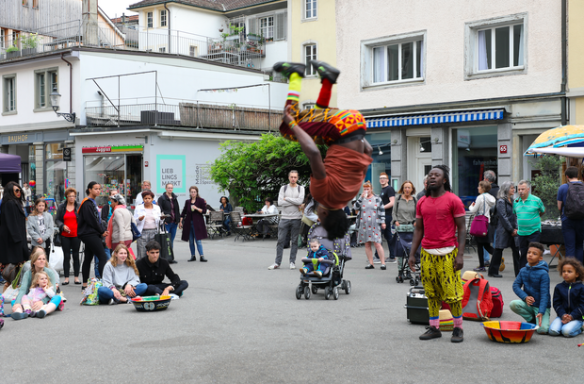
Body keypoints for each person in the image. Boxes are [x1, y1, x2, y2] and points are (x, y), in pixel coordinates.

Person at [273, 60, 372, 242]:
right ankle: (295, 75)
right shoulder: (322, 194)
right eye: (320, 218)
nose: (317, 216)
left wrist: (356, 133)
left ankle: (327, 79)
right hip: (342, 127)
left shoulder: (351, 193)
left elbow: (368, 149)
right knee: (287, 129)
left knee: (317, 124)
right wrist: (291, 123)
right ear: (325, 215)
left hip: (357, 124)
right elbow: (313, 153)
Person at [409, 165, 466, 343]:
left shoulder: (453, 200)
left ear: (444, 180)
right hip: (427, 253)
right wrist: (412, 254)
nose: (432, 177)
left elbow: (462, 228)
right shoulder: (421, 202)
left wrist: (460, 255)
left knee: (453, 293)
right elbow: (418, 229)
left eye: (437, 175)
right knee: (431, 293)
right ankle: (434, 327)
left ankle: (458, 328)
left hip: (449, 253)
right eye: (430, 175)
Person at [509, 242, 550, 334]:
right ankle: (531, 319)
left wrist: (541, 311)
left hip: (541, 307)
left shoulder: (543, 274)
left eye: (534, 254)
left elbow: (545, 295)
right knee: (513, 304)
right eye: (529, 252)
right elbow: (516, 285)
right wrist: (525, 297)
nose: (530, 255)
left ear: (540, 258)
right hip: (529, 305)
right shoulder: (523, 270)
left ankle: (539, 317)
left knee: (542, 330)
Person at [11, 247, 61, 320]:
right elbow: (23, 290)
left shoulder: (50, 272)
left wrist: (42, 302)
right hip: (31, 299)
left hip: (45, 298)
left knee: (57, 298)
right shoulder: (28, 273)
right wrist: (17, 303)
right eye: (39, 259)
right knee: (15, 301)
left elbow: (53, 292)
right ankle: (20, 313)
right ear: (34, 262)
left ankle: (44, 312)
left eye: (43, 259)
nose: (42, 261)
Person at [268, 170, 305, 270]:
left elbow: (300, 201)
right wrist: (295, 202)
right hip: (284, 218)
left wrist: (287, 198)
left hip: (296, 218)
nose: (293, 179)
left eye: (295, 177)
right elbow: (280, 203)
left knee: (294, 241)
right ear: (289, 177)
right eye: (291, 177)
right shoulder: (283, 188)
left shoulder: (300, 188)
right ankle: (277, 262)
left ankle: (292, 262)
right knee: (280, 240)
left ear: (297, 178)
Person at [78, 181, 109, 290]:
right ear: (89, 189)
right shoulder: (87, 203)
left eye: (99, 189)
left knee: (88, 257)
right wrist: (101, 231)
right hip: (89, 233)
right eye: (95, 188)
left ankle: (85, 284)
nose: (98, 191)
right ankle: (105, 283)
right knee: (102, 256)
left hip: (90, 233)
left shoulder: (91, 202)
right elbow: (92, 220)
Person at [488, 181, 521, 278]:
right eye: (511, 188)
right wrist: (511, 230)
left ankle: (518, 273)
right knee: (498, 250)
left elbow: (515, 215)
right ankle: (492, 271)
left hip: (512, 229)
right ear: (506, 189)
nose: (513, 190)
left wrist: (515, 228)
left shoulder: (513, 200)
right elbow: (503, 217)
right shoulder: (501, 201)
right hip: (504, 230)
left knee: (516, 250)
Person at [355, 181, 386, 270]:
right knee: (367, 244)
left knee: (377, 243)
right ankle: (371, 263)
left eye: (368, 189)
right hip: (364, 224)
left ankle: (383, 263)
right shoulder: (362, 198)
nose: (366, 190)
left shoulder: (377, 198)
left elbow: (382, 210)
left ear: (371, 189)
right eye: (364, 189)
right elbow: (355, 208)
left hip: (375, 224)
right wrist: (360, 198)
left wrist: (383, 222)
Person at [549, 258, 584, 337]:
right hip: (562, 316)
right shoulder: (559, 287)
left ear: (577, 274)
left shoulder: (581, 288)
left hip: (577, 318)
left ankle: (580, 328)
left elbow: (582, 305)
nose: (566, 273)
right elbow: (556, 303)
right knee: (553, 331)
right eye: (564, 271)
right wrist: (563, 315)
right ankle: (567, 325)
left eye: (569, 271)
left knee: (566, 332)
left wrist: (572, 316)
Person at [514, 180, 545, 269]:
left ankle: (535, 271)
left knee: (534, 253)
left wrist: (534, 218)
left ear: (528, 189)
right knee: (523, 253)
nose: (520, 191)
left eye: (522, 189)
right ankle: (523, 273)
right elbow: (515, 214)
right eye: (519, 189)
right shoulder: (516, 202)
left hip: (534, 231)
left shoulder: (536, 200)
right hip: (521, 232)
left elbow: (542, 211)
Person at [557, 166, 584, 263]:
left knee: (570, 247)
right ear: (578, 175)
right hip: (582, 219)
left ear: (567, 176)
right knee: (579, 245)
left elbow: (559, 207)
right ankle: (579, 273)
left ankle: (570, 273)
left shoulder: (563, 188)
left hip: (568, 220)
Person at [55, 187, 81, 285]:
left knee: (76, 256)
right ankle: (66, 278)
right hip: (65, 235)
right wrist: (62, 226)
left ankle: (76, 277)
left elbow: (82, 219)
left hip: (76, 234)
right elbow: (57, 219)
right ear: (66, 197)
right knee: (66, 256)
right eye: (69, 196)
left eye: (73, 196)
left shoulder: (78, 206)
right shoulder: (61, 207)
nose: (71, 198)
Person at [469, 181, 496, 272]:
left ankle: (483, 265)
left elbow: (474, 210)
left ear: (483, 188)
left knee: (480, 245)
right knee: (485, 244)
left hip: (480, 222)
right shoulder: (491, 198)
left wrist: (470, 207)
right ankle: (496, 257)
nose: (478, 188)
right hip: (487, 223)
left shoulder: (480, 197)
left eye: (479, 186)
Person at [0, 181, 29, 266]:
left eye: (19, 190)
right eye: (16, 190)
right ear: (10, 191)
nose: (19, 192)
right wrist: (18, 240)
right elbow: (11, 223)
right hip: (13, 240)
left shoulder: (15, 202)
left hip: (15, 239)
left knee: (17, 265)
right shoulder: (10, 203)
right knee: (15, 265)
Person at [392, 180, 417, 277]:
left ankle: (408, 271)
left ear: (412, 189)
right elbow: (394, 212)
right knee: (400, 250)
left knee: (410, 250)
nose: (407, 189)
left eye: (409, 188)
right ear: (402, 189)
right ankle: (400, 271)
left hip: (411, 229)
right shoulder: (398, 199)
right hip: (400, 228)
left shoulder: (415, 200)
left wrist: (415, 221)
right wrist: (395, 221)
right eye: (405, 187)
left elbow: (417, 213)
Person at [180, 186, 208, 262]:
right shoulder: (187, 202)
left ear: (196, 192)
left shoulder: (201, 201)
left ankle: (202, 256)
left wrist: (196, 208)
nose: (193, 193)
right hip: (189, 223)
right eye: (191, 192)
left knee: (198, 240)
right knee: (191, 241)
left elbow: (204, 211)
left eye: (194, 192)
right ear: (190, 192)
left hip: (198, 223)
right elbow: (183, 212)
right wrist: (180, 220)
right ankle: (193, 256)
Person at [134, 191, 162, 260]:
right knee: (142, 252)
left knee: (153, 251)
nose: (147, 200)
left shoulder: (157, 208)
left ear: (152, 199)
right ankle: (141, 268)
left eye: (149, 198)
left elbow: (159, 222)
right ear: (143, 199)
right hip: (142, 232)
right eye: (145, 198)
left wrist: (162, 219)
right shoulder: (139, 208)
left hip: (154, 232)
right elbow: (134, 221)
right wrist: (139, 219)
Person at [378, 172, 396, 263]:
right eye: (381, 178)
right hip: (384, 215)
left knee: (379, 235)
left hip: (386, 216)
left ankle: (378, 256)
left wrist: (381, 208)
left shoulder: (389, 189)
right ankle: (392, 256)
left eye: (384, 178)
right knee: (388, 236)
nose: (382, 179)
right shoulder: (383, 190)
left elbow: (392, 202)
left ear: (388, 180)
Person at [158, 183, 181, 253]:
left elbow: (177, 210)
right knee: (166, 240)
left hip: (174, 222)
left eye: (171, 188)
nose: (170, 189)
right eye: (169, 188)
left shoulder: (174, 198)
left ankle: (170, 256)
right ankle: (166, 256)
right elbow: (160, 210)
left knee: (171, 240)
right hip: (166, 222)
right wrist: (163, 219)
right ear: (165, 188)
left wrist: (179, 221)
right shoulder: (162, 198)